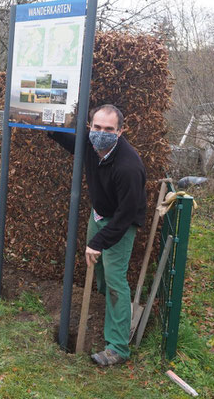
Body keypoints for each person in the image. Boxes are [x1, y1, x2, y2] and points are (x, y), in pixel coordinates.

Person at [47, 104, 146, 366]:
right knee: (100, 272)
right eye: (97, 127)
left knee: (115, 279)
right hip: (99, 215)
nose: (101, 133)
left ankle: (118, 347)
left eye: (109, 129)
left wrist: (99, 241)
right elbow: (73, 143)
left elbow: (126, 215)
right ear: (90, 126)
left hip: (120, 223)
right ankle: (108, 311)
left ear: (120, 131)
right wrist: (49, 129)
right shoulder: (92, 146)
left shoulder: (128, 167)